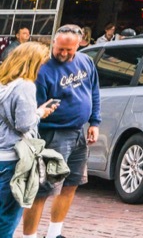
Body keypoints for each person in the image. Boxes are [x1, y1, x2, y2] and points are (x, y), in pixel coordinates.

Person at [23, 24, 100, 238]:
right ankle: (30, 236)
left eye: (70, 50)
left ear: (80, 44)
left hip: (79, 132)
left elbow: (94, 91)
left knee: (71, 184)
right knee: (42, 190)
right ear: (53, 43)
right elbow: (35, 111)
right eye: (60, 49)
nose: (64, 54)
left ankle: (55, 233)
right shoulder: (43, 69)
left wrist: (95, 122)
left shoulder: (86, 61)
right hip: (53, 134)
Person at [0, 42, 57, 238]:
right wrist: (40, 112)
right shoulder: (25, 86)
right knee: (8, 215)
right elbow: (24, 125)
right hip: (13, 158)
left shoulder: (2, 83)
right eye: (42, 63)